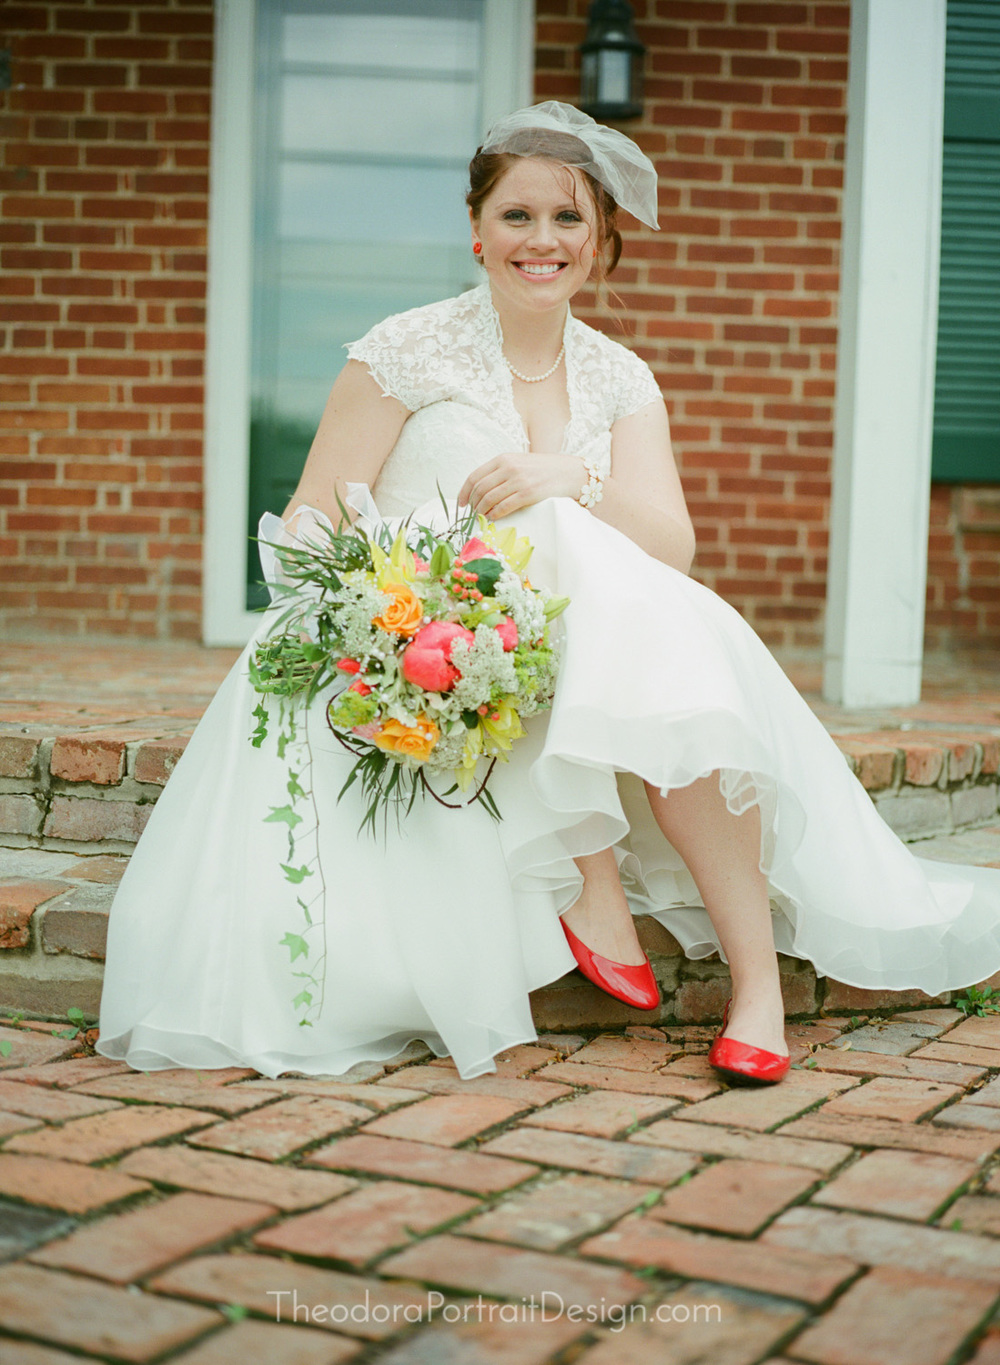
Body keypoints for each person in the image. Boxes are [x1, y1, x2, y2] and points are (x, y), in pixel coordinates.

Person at [96, 102, 1000, 1087]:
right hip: (420, 632)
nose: (543, 241)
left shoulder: (621, 378)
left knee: (592, 555)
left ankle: (755, 989)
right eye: (517, 216)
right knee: (553, 556)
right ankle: (586, 869)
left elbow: (673, 544)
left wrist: (570, 475)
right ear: (477, 231)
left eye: (568, 219)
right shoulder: (402, 353)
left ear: (602, 237)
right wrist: (365, 619)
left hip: (573, 639)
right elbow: (317, 510)